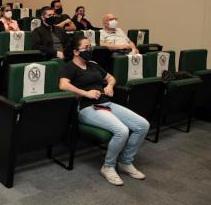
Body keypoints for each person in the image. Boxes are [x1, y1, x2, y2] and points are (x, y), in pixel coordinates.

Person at [59, 35, 149, 186]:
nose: (90, 50)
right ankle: (108, 167)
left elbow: (111, 77)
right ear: (76, 51)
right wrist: (85, 93)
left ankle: (125, 162)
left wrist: (109, 86)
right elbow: (63, 85)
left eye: (90, 47)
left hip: (106, 103)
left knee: (142, 125)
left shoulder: (93, 64)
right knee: (122, 130)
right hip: (87, 108)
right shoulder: (69, 67)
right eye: (86, 48)